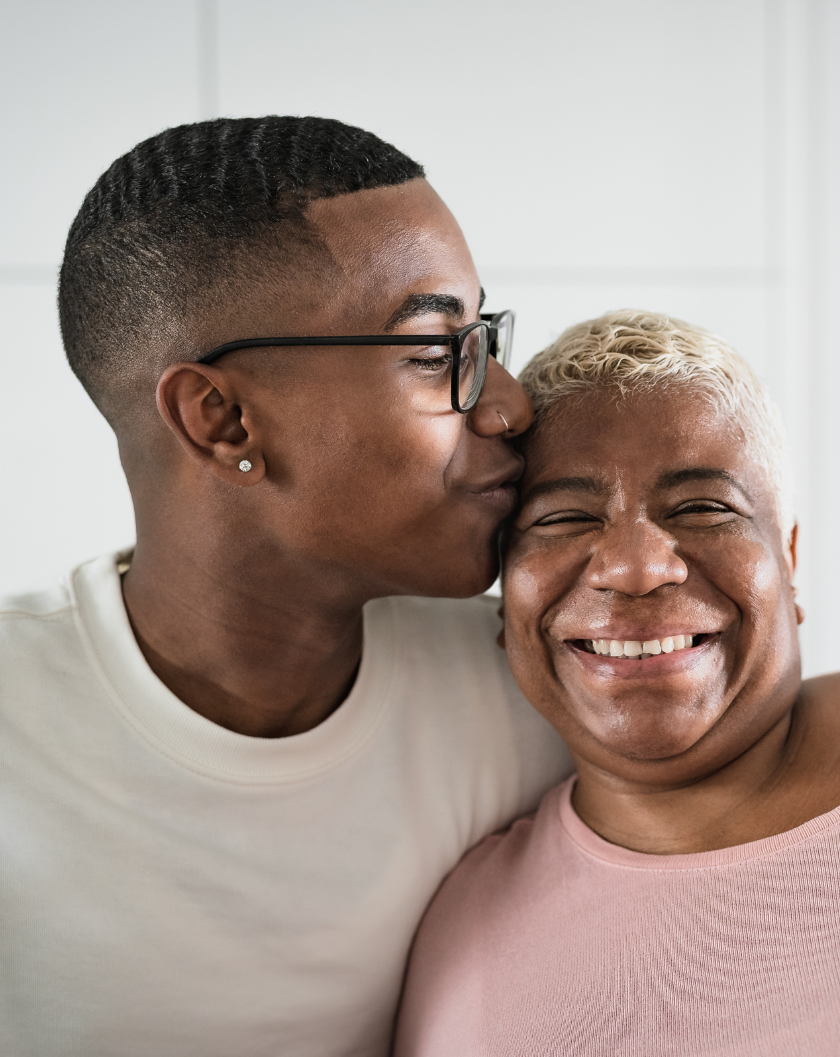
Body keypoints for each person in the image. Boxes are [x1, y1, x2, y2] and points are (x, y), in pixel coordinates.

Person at [0, 116, 572, 1057]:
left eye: (486, 338)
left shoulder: (530, 686)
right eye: (437, 352)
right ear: (221, 419)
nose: (509, 404)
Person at [395, 310, 840, 1056]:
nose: (634, 567)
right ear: (506, 604)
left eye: (704, 507)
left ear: (788, 559)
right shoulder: (461, 932)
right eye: (565, 518)